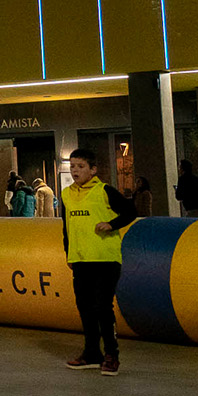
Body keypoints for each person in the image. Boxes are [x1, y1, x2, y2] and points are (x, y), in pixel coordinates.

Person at [60, 148, 137, 375]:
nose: (75, 171)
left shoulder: (105, 191)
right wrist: (69, 253)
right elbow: (67, 227)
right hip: (81, 258)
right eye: (73, 166)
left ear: (93, 170)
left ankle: (112, 355)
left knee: (103, 306)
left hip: (105, 258)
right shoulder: (66, 194)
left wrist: (111, 225)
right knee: (85, 307)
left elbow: (130, 211)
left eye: (81, 167)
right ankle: (92, 353)